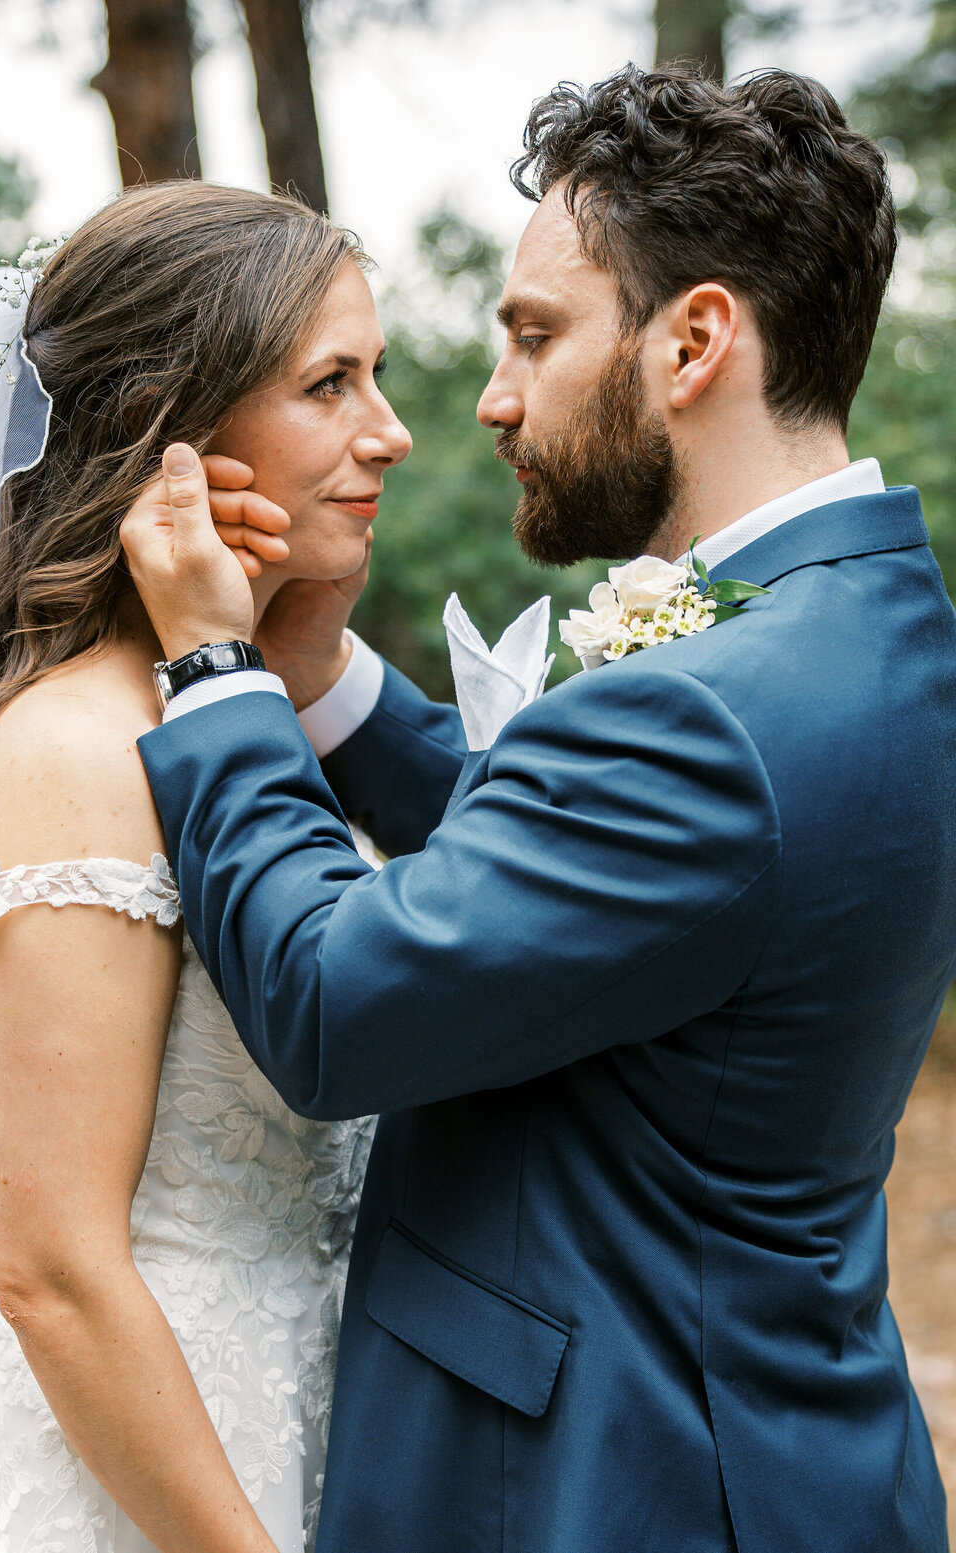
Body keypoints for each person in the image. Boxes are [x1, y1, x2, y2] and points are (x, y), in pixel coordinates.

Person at [121, 66, 956, 1553]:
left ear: (695, 340)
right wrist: (319, 677)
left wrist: (213, 671)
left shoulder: (710, 712)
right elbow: (595, 884)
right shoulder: (869, 631)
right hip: (785, 1451)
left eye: (535, 334)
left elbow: (331, 1000)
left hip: (617, 1483)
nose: (493, 400)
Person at [0, 181, 410, 1553]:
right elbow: (54, 1271)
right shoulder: (81, 756)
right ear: (172, 427)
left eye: (377, 376)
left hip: (304, 1429)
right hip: (138, 1493)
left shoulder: (236, 719)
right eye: (330, 384)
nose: (388, 431)